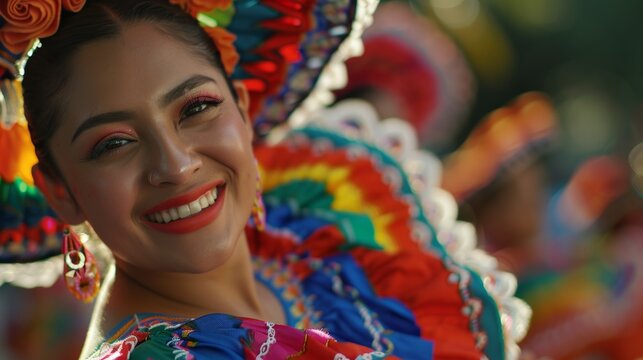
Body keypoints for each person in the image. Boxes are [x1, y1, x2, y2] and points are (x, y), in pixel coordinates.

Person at [0, 0, 527, 358]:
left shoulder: (321, 240)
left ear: (244, 112)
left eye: (197, 107)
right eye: (114, 143)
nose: (176, 164)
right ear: (60, 192)